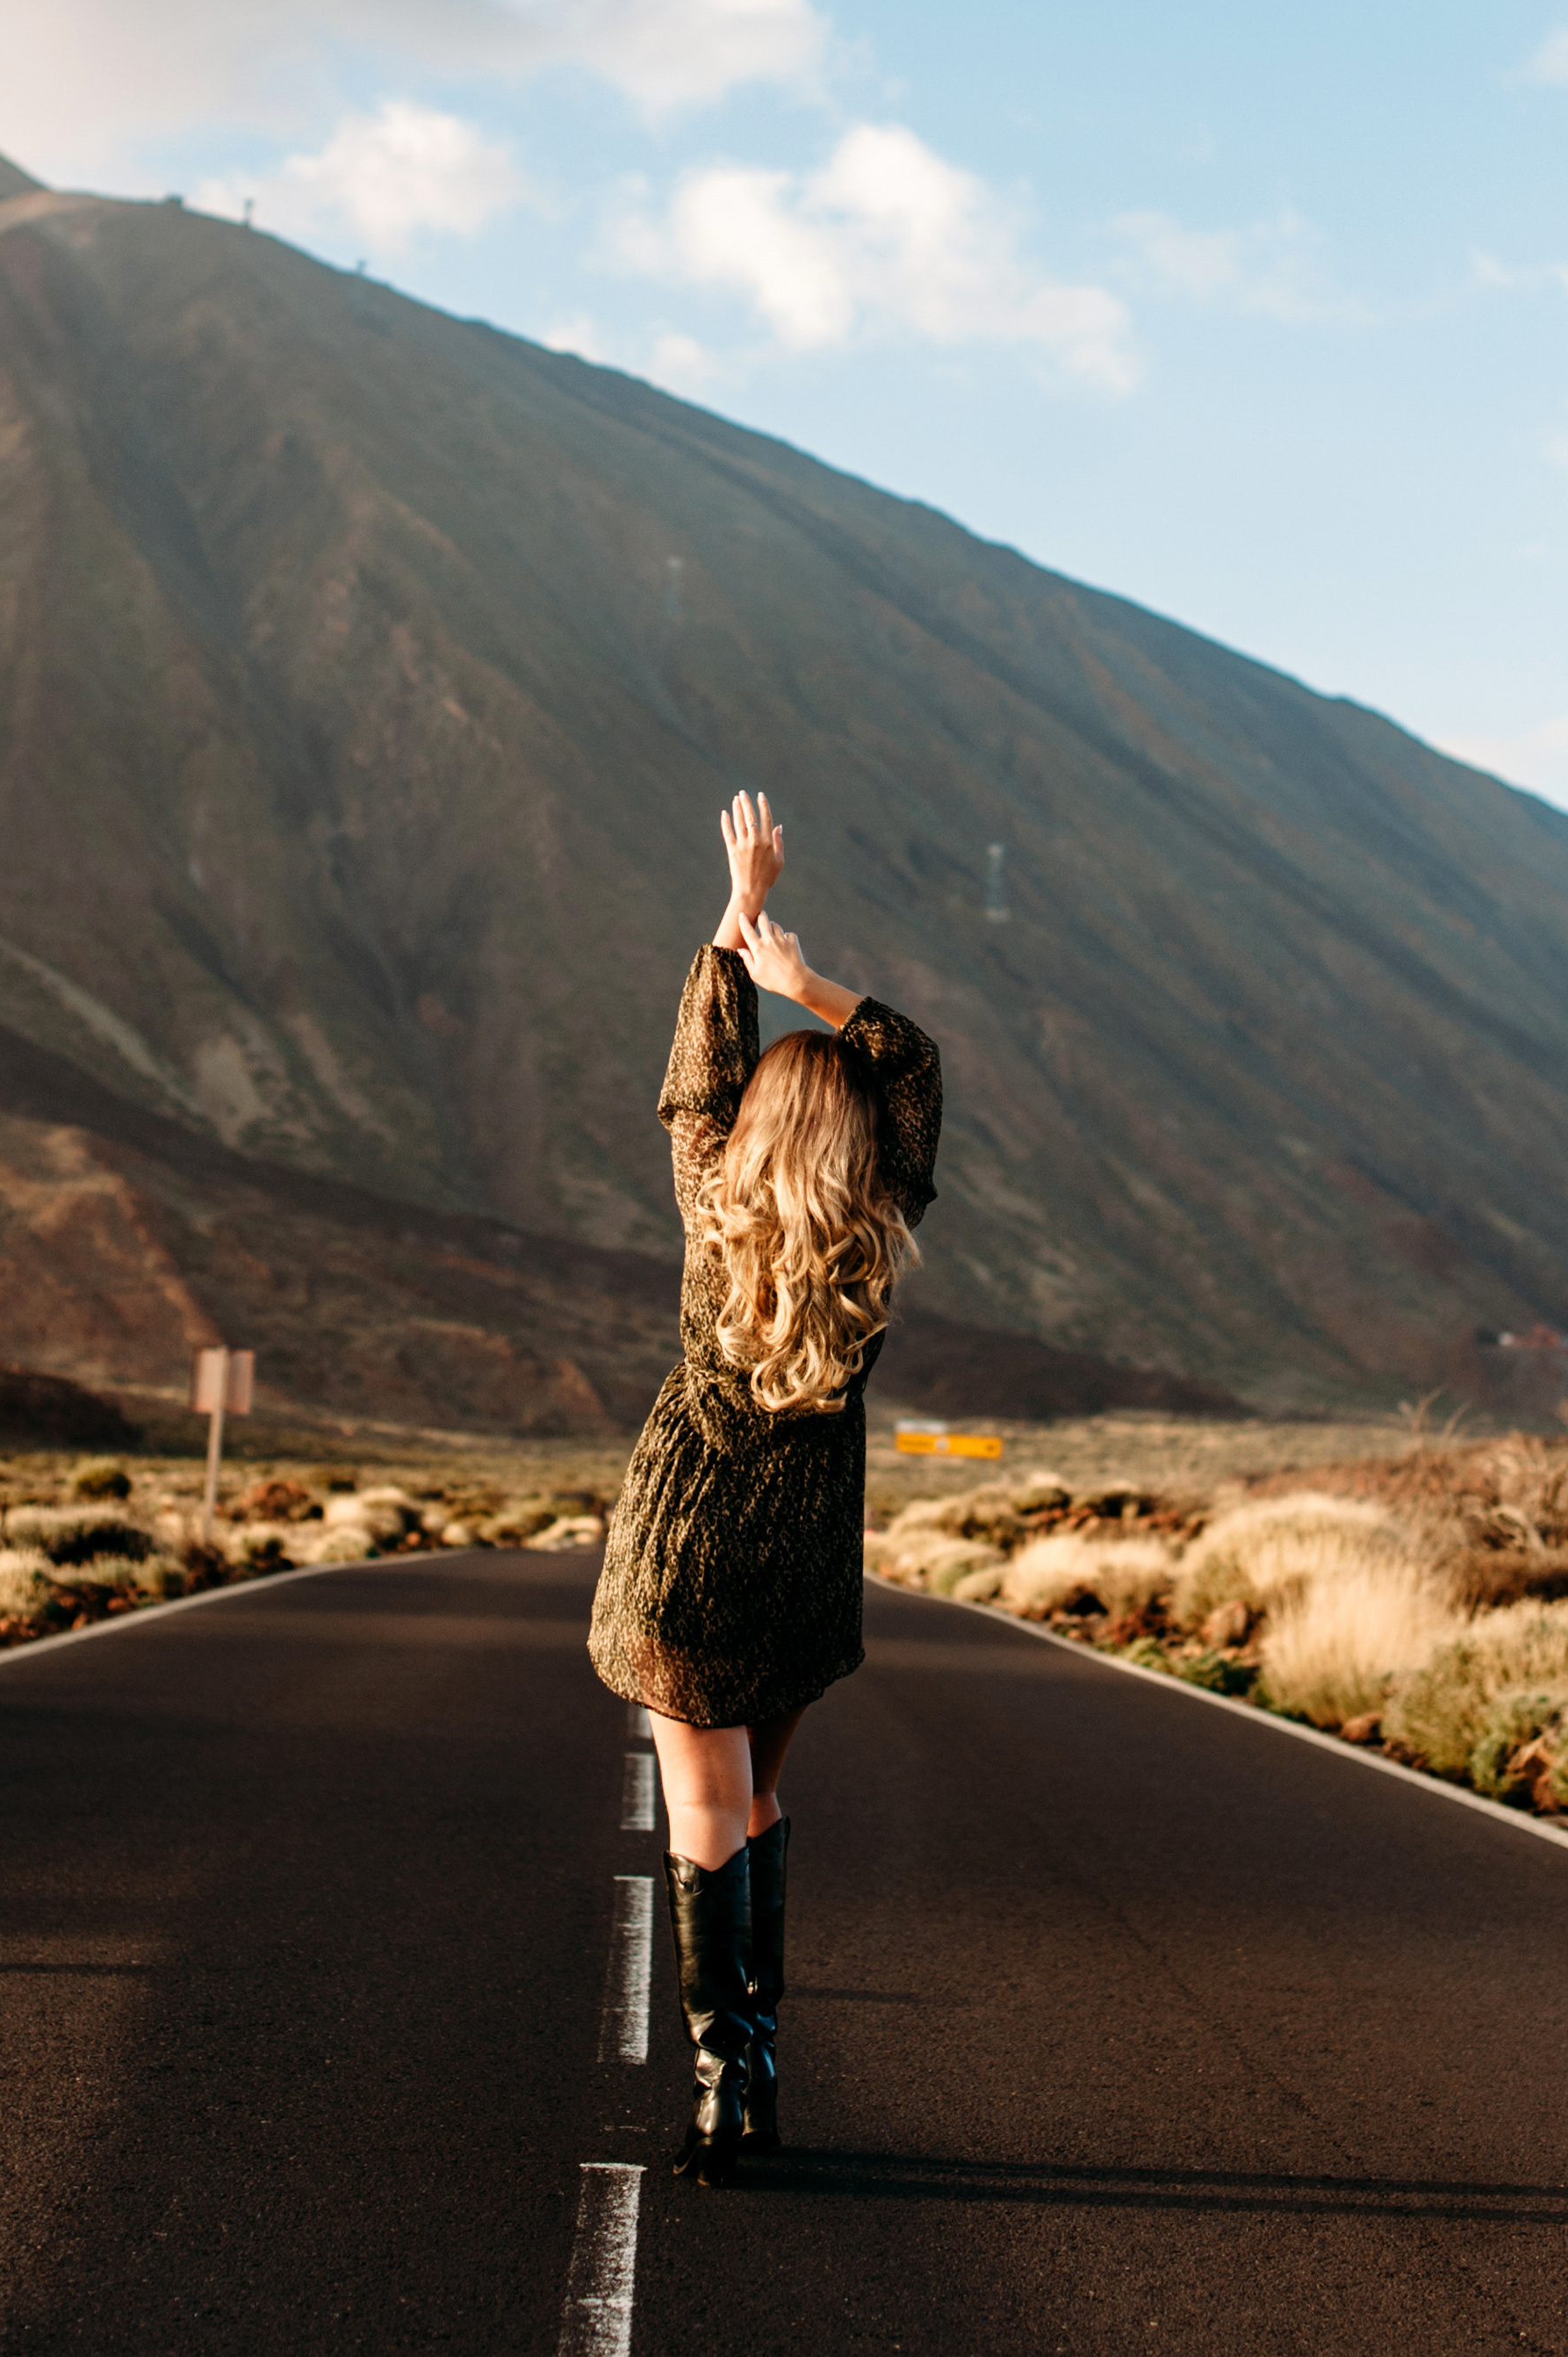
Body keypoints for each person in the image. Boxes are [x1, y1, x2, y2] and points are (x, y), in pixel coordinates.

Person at [588, 790, 943, 2181]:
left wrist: (739, 925)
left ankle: (727, 2087)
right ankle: (759, 2066)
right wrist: (808, 982)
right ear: (855, 1142)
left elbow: (694, 1068)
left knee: (704, 1814)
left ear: (748, 1128)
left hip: (688, 1549)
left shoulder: (707, 1195)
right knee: (762, 1808)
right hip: (800, 1561)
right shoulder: (874, 1230)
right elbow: (910, 1061)